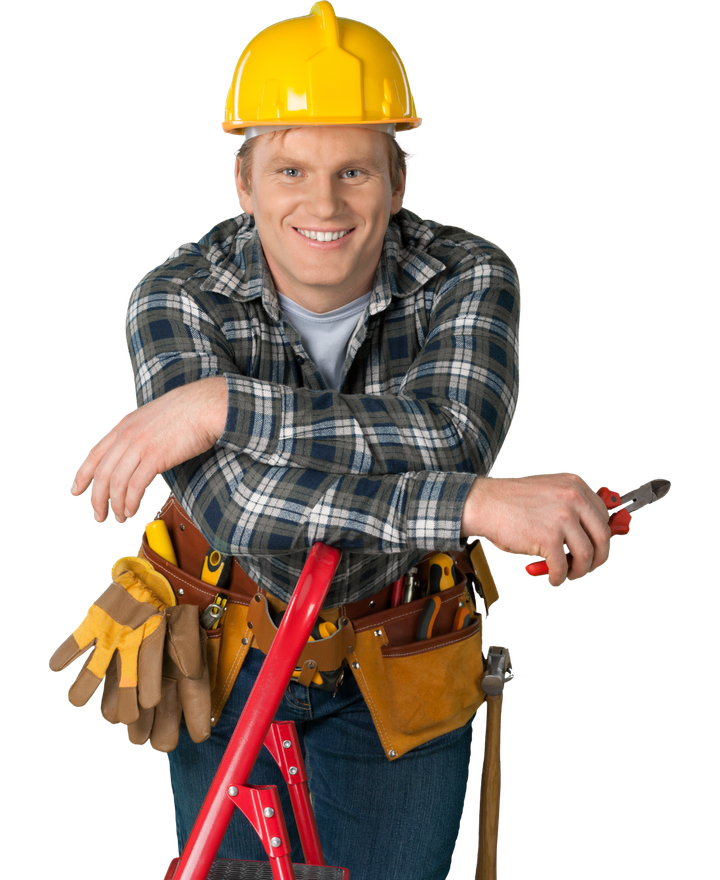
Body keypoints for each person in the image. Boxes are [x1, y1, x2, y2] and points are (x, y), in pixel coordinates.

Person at [69, 3, 611, 877]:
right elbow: (241, 509)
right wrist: (471, 505)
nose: (324, 203)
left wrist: (226, 407)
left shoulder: (471, 273)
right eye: (290, 168)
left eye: (355, 170)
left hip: (404, 643)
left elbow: (449, 435)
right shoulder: (175, 296)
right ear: (244, 184)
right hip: (227, 644)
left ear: (399, 183)